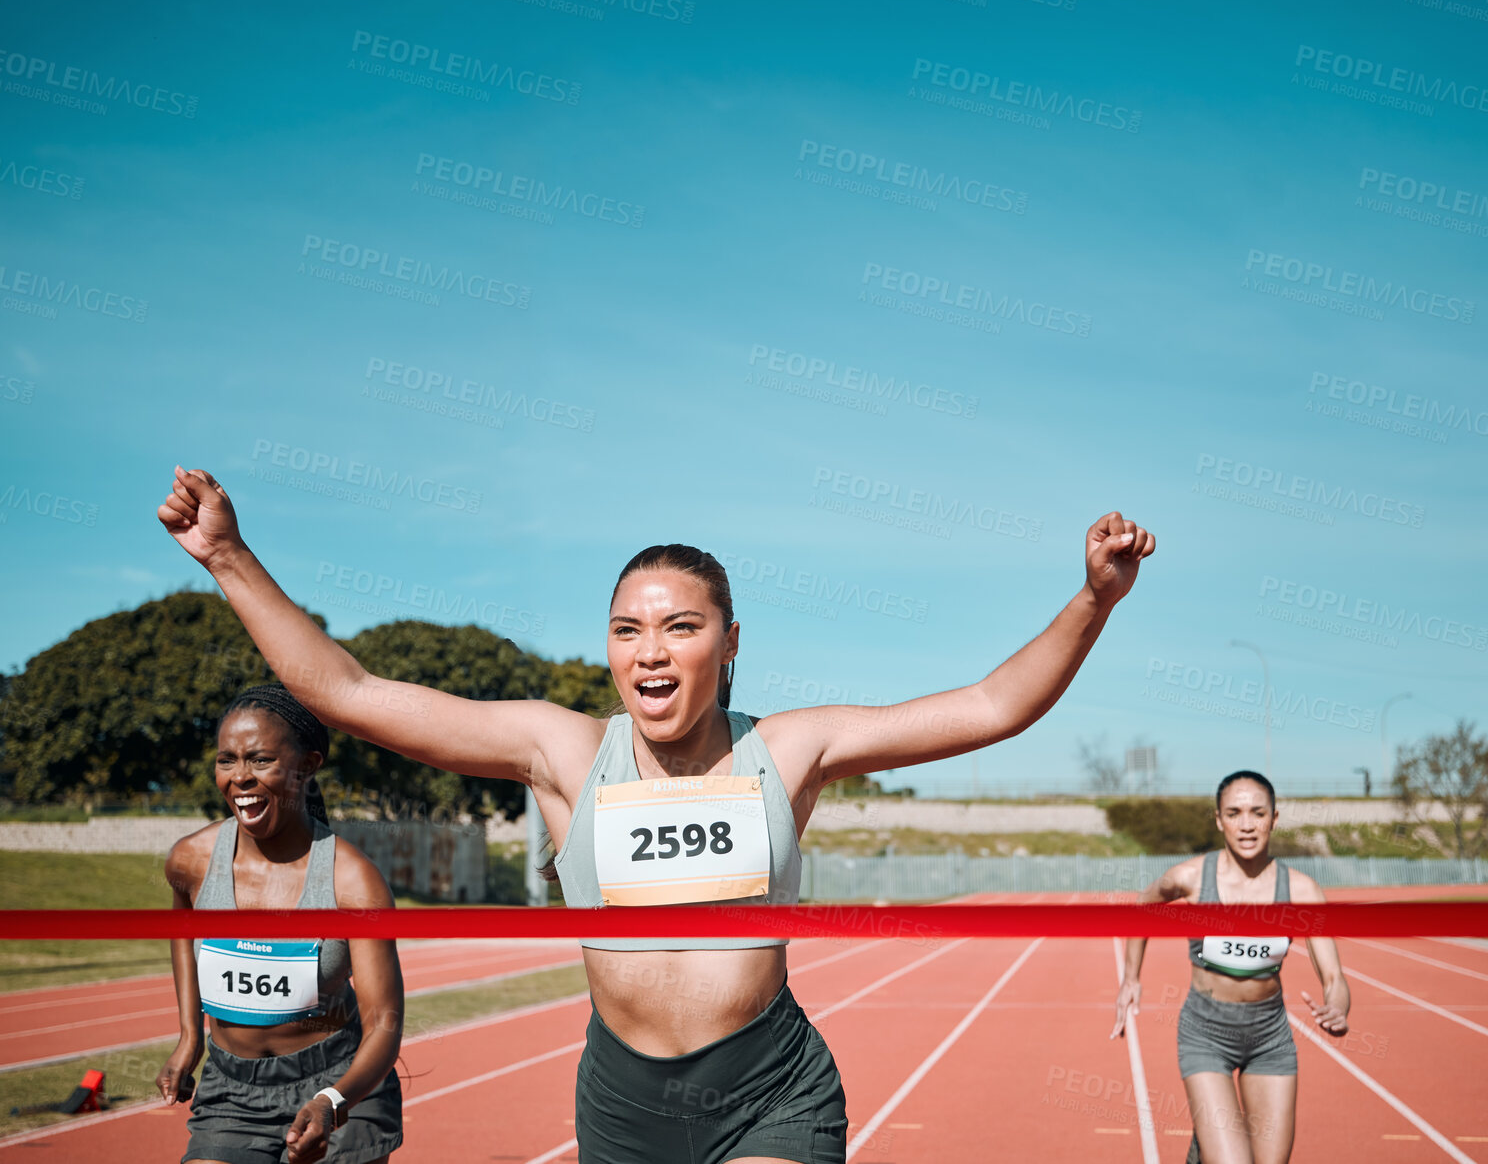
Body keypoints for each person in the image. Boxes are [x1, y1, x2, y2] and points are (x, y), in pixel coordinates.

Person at [159, 465, 1155, 1164]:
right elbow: (348, 690)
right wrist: (227, 554)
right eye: (628, 627)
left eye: (681, 624)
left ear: (729, 643)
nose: (651, 648)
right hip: (623, 1101)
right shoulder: (561, 752)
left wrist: (1091, 600)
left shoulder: (791, 748)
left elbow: (989, 706)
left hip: (770, 1086)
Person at [156, 684, 405, 1164]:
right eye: (226, 760)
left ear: (307, 766)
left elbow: (384, 1024)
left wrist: (333, 1102)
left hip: (340, 1084)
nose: (240, 777)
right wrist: (190, 1037)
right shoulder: (190, 860)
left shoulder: (354, 881)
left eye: (260, 760)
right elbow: (183, 932)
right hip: (232, 1088)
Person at [1110, 770, 1351, 1164]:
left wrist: (1338, 1008)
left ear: (1274, 818)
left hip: (1269, 1038)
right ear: (1219, 820)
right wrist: (1130, 978)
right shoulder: (1189, 878)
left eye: (1258, 813)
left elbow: (1335, 977)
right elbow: (1144, 906)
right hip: (1205, 1033)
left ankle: (1205, 1146)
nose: (1247, 824)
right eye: (1234, 813)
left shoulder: (1302, 892)